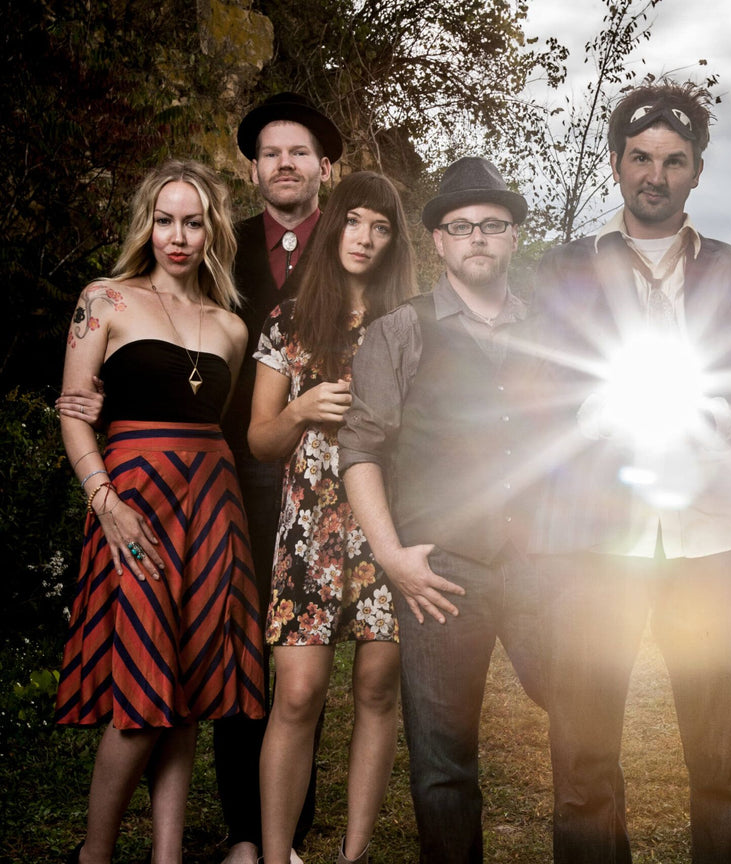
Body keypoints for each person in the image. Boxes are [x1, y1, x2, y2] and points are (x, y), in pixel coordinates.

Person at [526, 79, 731, 863]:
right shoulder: (561, 269)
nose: (655, 176)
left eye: (673, 161)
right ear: (614, 163)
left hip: (715, 540)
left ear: (697, 171)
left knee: (722, 763)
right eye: (640, 158)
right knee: (584, 760)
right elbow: (541, 394)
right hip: (597, 542)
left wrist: (719, 417)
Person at [55, 160, 265, 864]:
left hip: (211, 507)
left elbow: (215, 426)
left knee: (188, 686)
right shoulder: (105, 300)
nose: (179, 236)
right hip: (131, 503)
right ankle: (94, 853)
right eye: (166, 219)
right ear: (148, 222)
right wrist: (104, 499)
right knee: (144, 691)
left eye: (194, 221)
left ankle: (167, 856)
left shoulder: (231, 328)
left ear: (212, 231)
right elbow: (74, 413)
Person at [339, 156, 545, 863]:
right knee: (444, 765)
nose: (478, 238)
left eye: (493, 225)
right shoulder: (400, 331)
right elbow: (360, 449)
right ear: (439, 243)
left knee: (582, 724)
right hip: (442, 573)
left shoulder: (549, 328)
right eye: (462, 227)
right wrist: (393, 556)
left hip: (546, 563)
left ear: (514, 235)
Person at [249, 171, 414, 864]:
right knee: (298, 693)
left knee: (378, 687)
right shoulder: (289, 320)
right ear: (334, 225)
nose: (366, 238)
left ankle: (353, 856)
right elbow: (259, 440)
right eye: (355, 222)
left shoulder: (410, 325)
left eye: (381, 228)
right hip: (309, 530)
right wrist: (299, 410)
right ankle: (279, 852)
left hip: (387, 525)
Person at [220, 91, 344, 864]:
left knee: (304, 656)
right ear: (256, 168)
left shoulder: (357, 243)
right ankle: (242, 831)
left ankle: (288, 836)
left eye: (299, 152)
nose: (286, 164)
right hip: (234, 471)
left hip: (329, 482)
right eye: (271, 153)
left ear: (325, 166)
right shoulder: (219, 246)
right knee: (241, 647)